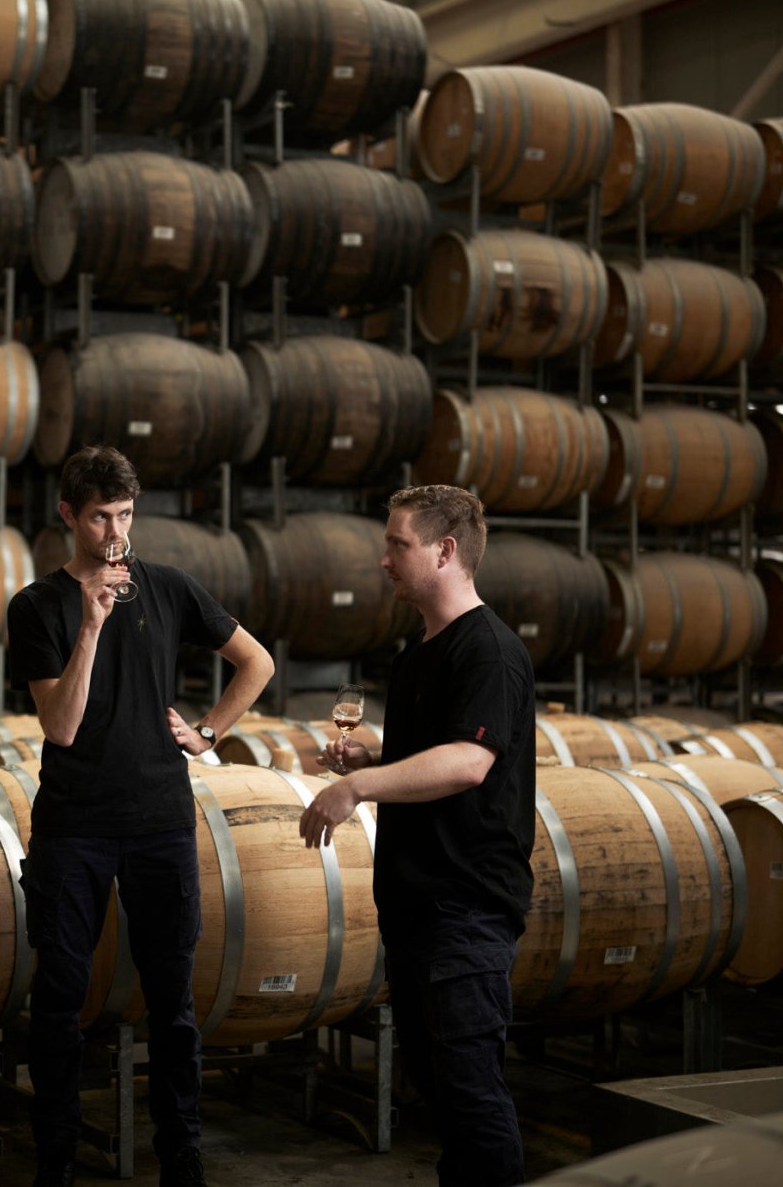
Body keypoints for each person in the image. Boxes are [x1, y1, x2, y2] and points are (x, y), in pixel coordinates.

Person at [7, 446, 274, 1187]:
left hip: (160, 820)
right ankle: (55, 1159)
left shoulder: (171, 587)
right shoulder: (38, 606)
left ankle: (179, 1160)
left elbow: (256, 662)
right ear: (69, 514)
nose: (116, 531)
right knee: (60, 1001)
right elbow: (59, 727)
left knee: (173, 1004)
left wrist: (210, 731)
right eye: (101, 516)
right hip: (75, 827)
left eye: (126, 515)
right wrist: (91, 625)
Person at [298, 484, 536, 1187]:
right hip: (416, 910)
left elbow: (468, 762)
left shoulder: (487, 652)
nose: (384, 559)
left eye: (398, 544)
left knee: (471, 1098)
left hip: (465, 910)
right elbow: (433, 756)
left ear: (446, 550)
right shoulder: (417, 655)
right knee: (440, 1095)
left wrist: (355, 787)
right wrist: (374, 757)